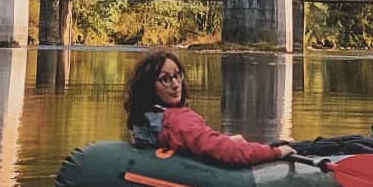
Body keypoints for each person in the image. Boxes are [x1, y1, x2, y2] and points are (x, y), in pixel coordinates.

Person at [122, 48, 296, 166]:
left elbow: (198, 144)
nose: (175, 85)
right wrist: (276, 153)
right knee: (306, 148)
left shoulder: (148, 119)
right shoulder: (177, 121)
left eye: (177, 76)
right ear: (149, 87)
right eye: (164, 79)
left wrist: (226, 140)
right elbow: (225, 151)